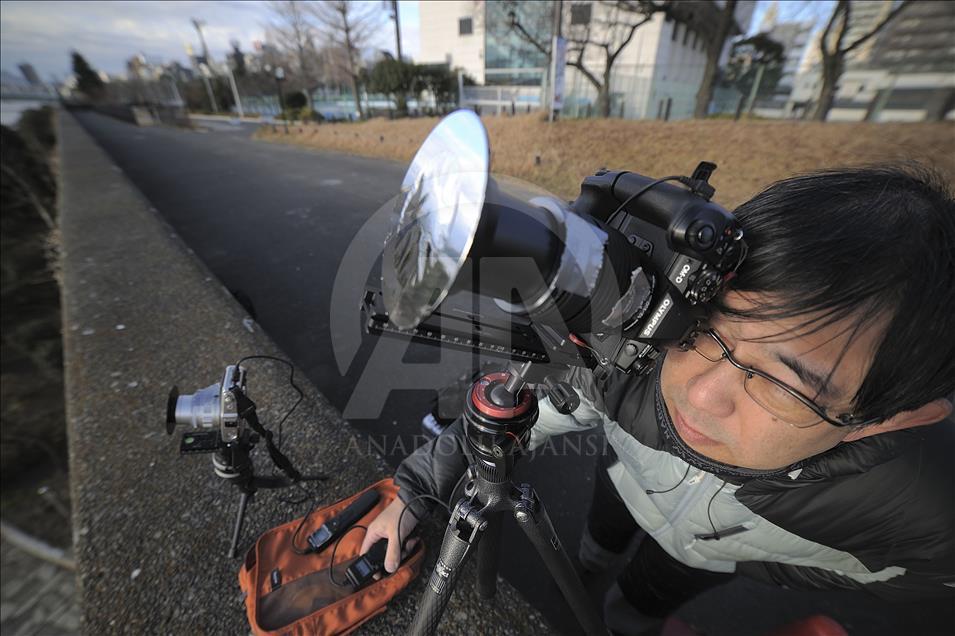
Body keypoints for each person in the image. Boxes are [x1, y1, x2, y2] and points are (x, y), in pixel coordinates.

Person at [358, 164, 955, 633]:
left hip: (692, 564)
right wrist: (415, 491)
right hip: (622, 486)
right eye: (702, 327)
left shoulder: (926, 508)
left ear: (888, 419)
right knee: (597, 543)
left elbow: (917, 574)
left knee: (641, 602)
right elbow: (526, 410)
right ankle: (591, 566)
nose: (699, 393)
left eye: (783, 382)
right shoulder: (635, 358)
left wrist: (741, 558)